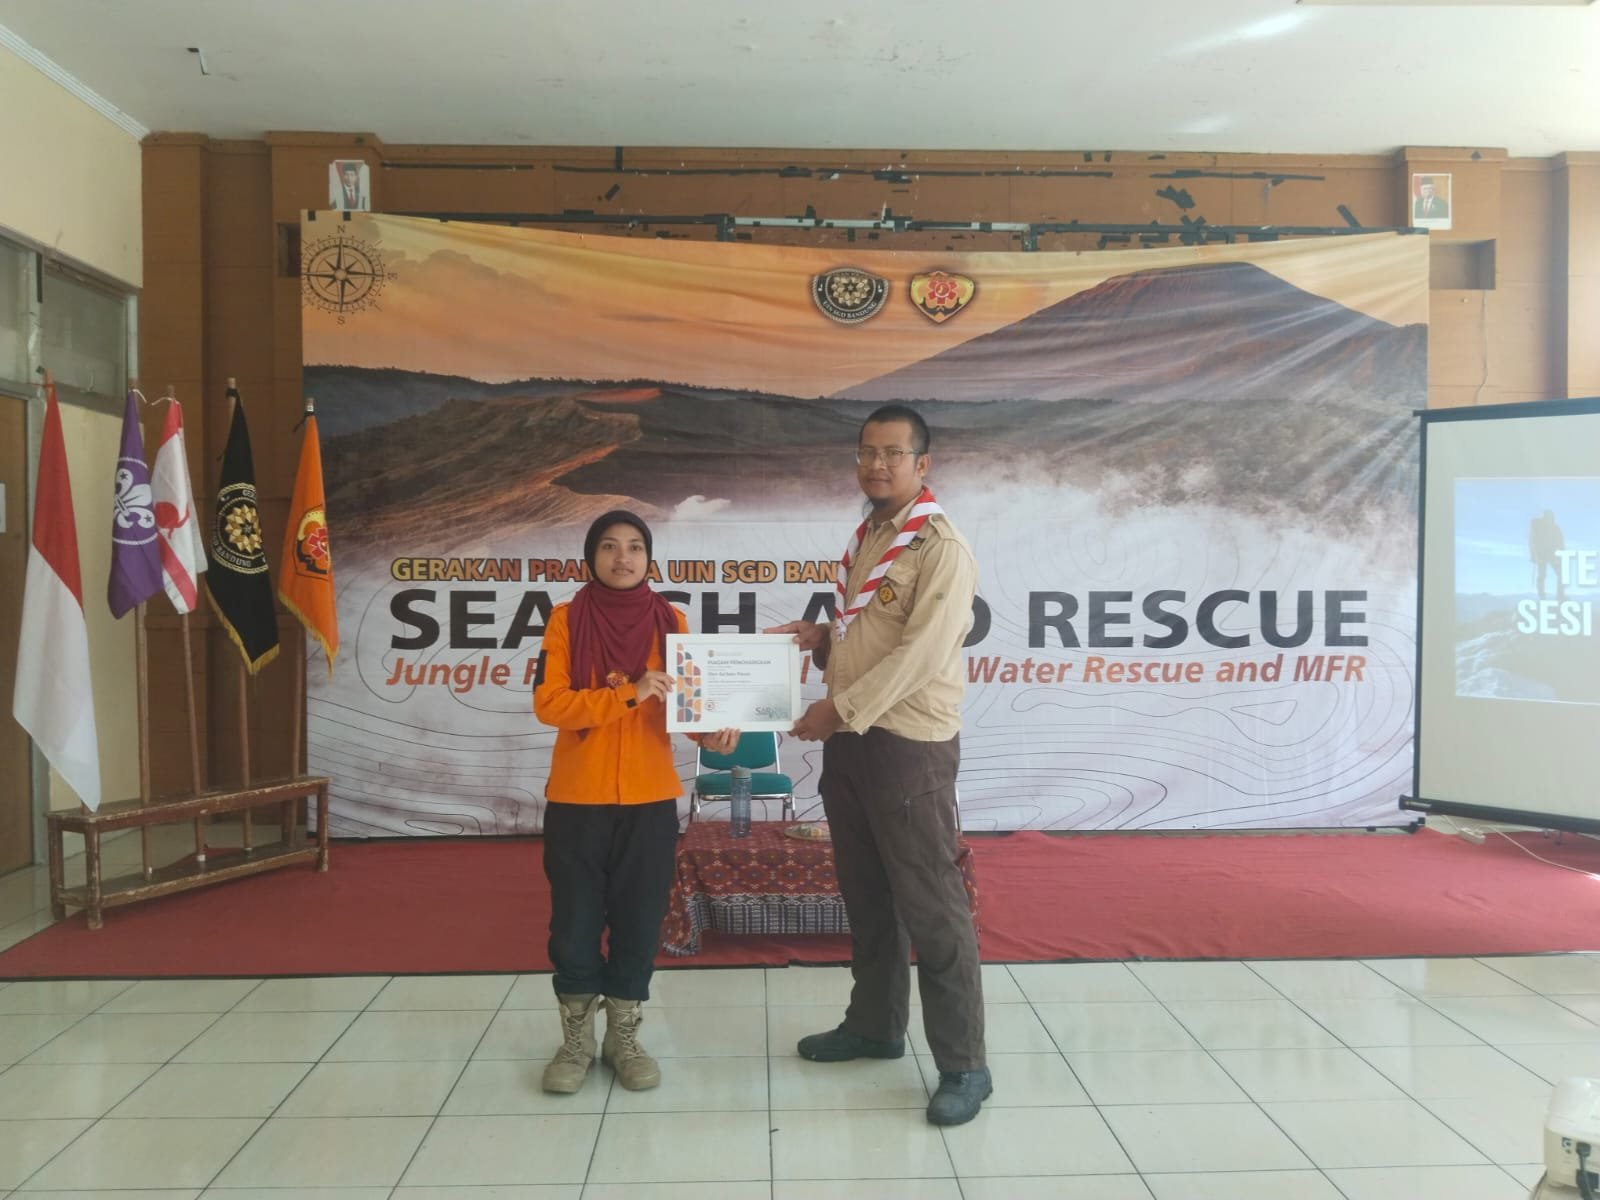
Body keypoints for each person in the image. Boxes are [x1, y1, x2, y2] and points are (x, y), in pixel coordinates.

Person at [767, 403, 989, 1126]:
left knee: (932, 905)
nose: (877, 464)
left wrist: (838, 710)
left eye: (893, 453)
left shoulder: (940, 546)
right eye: (867, 452)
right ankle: (875, 1026)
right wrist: (823, 642)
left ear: (922, 464)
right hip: (854, 742)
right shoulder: (870, 536)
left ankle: (965, 1064)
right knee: (866, 895)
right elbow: (872, 634)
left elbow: (922, 655)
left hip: (906, 746)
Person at [533, 510, 737, 1094]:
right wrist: (629, 692)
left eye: (634, 547)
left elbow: (687, 707)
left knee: (639, 921)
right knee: (574, 923)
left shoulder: (671, 620)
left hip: (649, 801)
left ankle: (623, 1036)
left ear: (649, 559)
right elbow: (550, 704)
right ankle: (576, 1041)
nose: (622, 557)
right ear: (591, 557)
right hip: (578, 799)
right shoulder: (566, 620)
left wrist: (712, 733)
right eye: (609, 546)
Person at [1530, 509, 1565, 603]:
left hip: (1543, 554)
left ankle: (1544, 597)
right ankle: (1557, 596)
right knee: (1557, 574)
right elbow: (1561, 542)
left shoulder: (1537, 525)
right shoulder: (1553, 527)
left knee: (1543, 575)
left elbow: (1532, 541)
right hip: (1547, 554)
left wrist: (1533, 555)